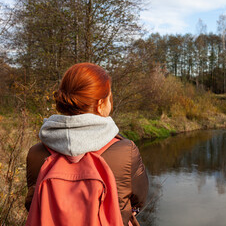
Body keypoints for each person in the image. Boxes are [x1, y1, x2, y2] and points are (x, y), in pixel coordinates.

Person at [25, 62, 149, 226]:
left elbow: (31, 203)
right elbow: (139, 199)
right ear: (100, 104)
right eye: (109, 97)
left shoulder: (36, 153)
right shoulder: (126, 150)